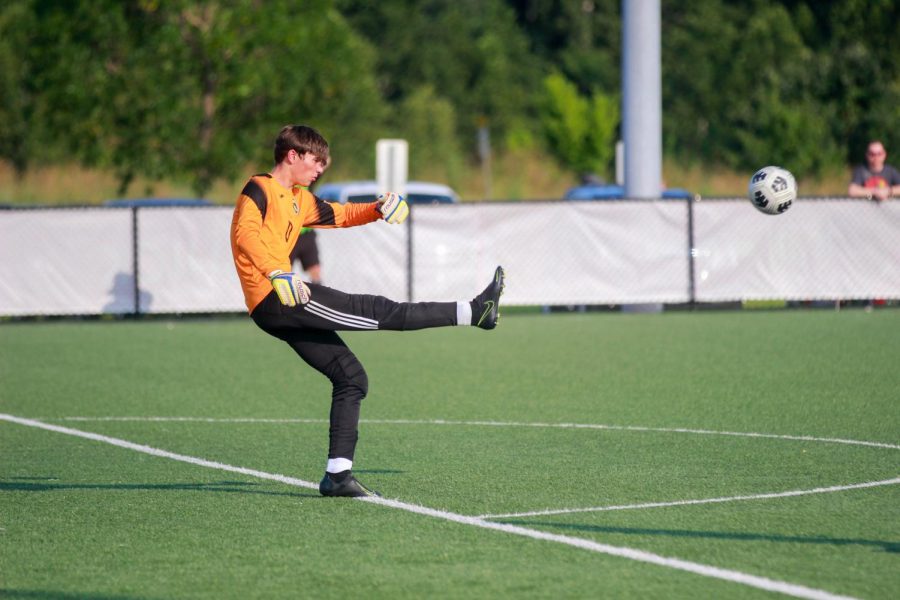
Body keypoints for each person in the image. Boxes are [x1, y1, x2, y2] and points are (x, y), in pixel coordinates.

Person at [230, 124, 504, 498]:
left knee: (351, 378)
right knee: (378, 311)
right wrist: (276, 271)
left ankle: (337, 476)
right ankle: (474, 312)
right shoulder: (259, 189)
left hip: (280, 300)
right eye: (315, 161)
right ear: (291, 156)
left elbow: (340, 214)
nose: (319, 170)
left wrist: (376, 209)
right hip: (277, 297)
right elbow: (246, 236)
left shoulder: (300, 198)